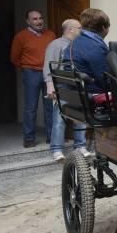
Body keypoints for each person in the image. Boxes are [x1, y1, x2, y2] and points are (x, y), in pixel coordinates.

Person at [10, 9, 56, 147]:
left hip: (49, 72)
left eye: (40, 18)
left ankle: (52, 136)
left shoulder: (51, 34)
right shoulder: (21, 36)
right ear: (28, 21)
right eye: (35, 19)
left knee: (50, 106)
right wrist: (27, 67)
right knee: (31, 107)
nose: (39, 21)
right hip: (31, 73)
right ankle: (29, 139)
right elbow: (14, 58)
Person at [44, 18, 87, 162]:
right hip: (62, 85)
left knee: (80, 117)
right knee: (59, 118)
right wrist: (50, 85)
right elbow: (49, 66)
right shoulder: (55, 44)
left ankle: (80, 146)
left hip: (77, 85)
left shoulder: (79, 45)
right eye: (79, 27)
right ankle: (56, 150)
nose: (82, 30)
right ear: (70, 29)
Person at [70, 8, 111, 93]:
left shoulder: (74, 42)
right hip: (91, 94)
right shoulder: (95, 47)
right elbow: (106, 81)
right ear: (104, 27)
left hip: (74, 93)